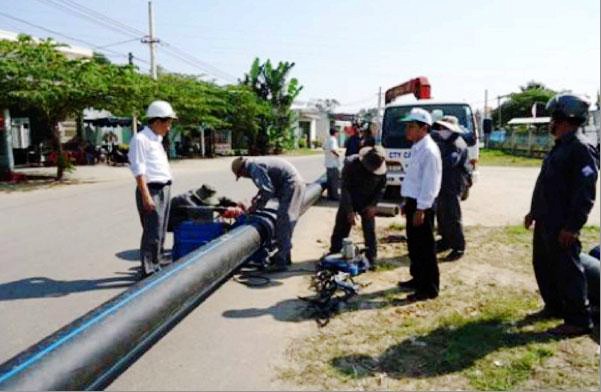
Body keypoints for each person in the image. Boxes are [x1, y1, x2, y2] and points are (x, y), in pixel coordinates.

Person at [524, 93, 599, 336]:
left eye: (553, 118)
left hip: (562, 223)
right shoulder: (561, 146)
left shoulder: (580, 148)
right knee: (544, 265)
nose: (550, 123)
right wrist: (533, 212)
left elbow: (585, 192)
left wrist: (573, 226)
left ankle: (579, 320)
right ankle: (554, 307)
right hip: (546, 219)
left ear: (564, 119)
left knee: (568, 271)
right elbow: (545, 184)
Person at [128, 100, 177, 278]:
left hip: (163, 188)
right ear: (157, 121)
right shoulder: (141, 140)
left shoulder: (157, 140)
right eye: (168, 123)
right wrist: (146, 196)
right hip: (151, 189)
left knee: (161, 230)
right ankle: (149, 270)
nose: (169, 128)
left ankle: (156, 264)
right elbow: (139, 170)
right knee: (152, 232)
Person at [397, 108, 442, 301]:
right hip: (413, 202)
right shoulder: (417, 147)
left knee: (425, 247)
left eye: (411, 126)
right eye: (407, 126)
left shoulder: (429, 151)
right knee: (414, 245)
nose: (407, 130)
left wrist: (421, 208)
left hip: (422, 204)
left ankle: (428, 288)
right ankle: (417, 278)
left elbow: (430, 183)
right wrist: (406, 202)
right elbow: (413, 180)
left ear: (424, 128)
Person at [231, 156, 305, 272]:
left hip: (291, 186)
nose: (245, 177)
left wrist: (256, 207)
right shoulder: (256, 164)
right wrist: (258, 197)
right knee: (284, 223)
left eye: (241, 175)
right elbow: (267, 185)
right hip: (291, 185)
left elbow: (268, 191)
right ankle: (284, 257)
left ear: (242, 170)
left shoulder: (254, 168)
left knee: (283, 222)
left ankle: (281, 262)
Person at [329, 146, 387, 268]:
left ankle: (371, 258)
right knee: (341, 228)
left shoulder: (381, 168)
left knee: (370, 230)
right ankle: (334, 255)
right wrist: (349, 210)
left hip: (368, 202)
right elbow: (345, 189)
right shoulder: (351, 164)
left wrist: (373, 205)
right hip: (350, 198)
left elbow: (381, 188)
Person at [431, 115, 469, 261]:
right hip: (443, 183)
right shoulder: (445, 141)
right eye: (440, 127)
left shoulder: (457, 144)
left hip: (453, 183)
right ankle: (446, 240)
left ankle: (458, 247)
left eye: (444, 128)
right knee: (442, 214)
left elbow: (450, 161)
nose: (440, 130)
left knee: (453, 215)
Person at [324, 127, 342, 200]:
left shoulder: (327, 139)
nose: (338, 134)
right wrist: (338, 155)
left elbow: (324, 147)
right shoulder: (333, 140)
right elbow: (333, 150)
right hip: (333, 163)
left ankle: (329, 195)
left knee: (329, 181)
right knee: (334, 181)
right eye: (338, 133)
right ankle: (335, 196)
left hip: (328, 163)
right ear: (335, 133)